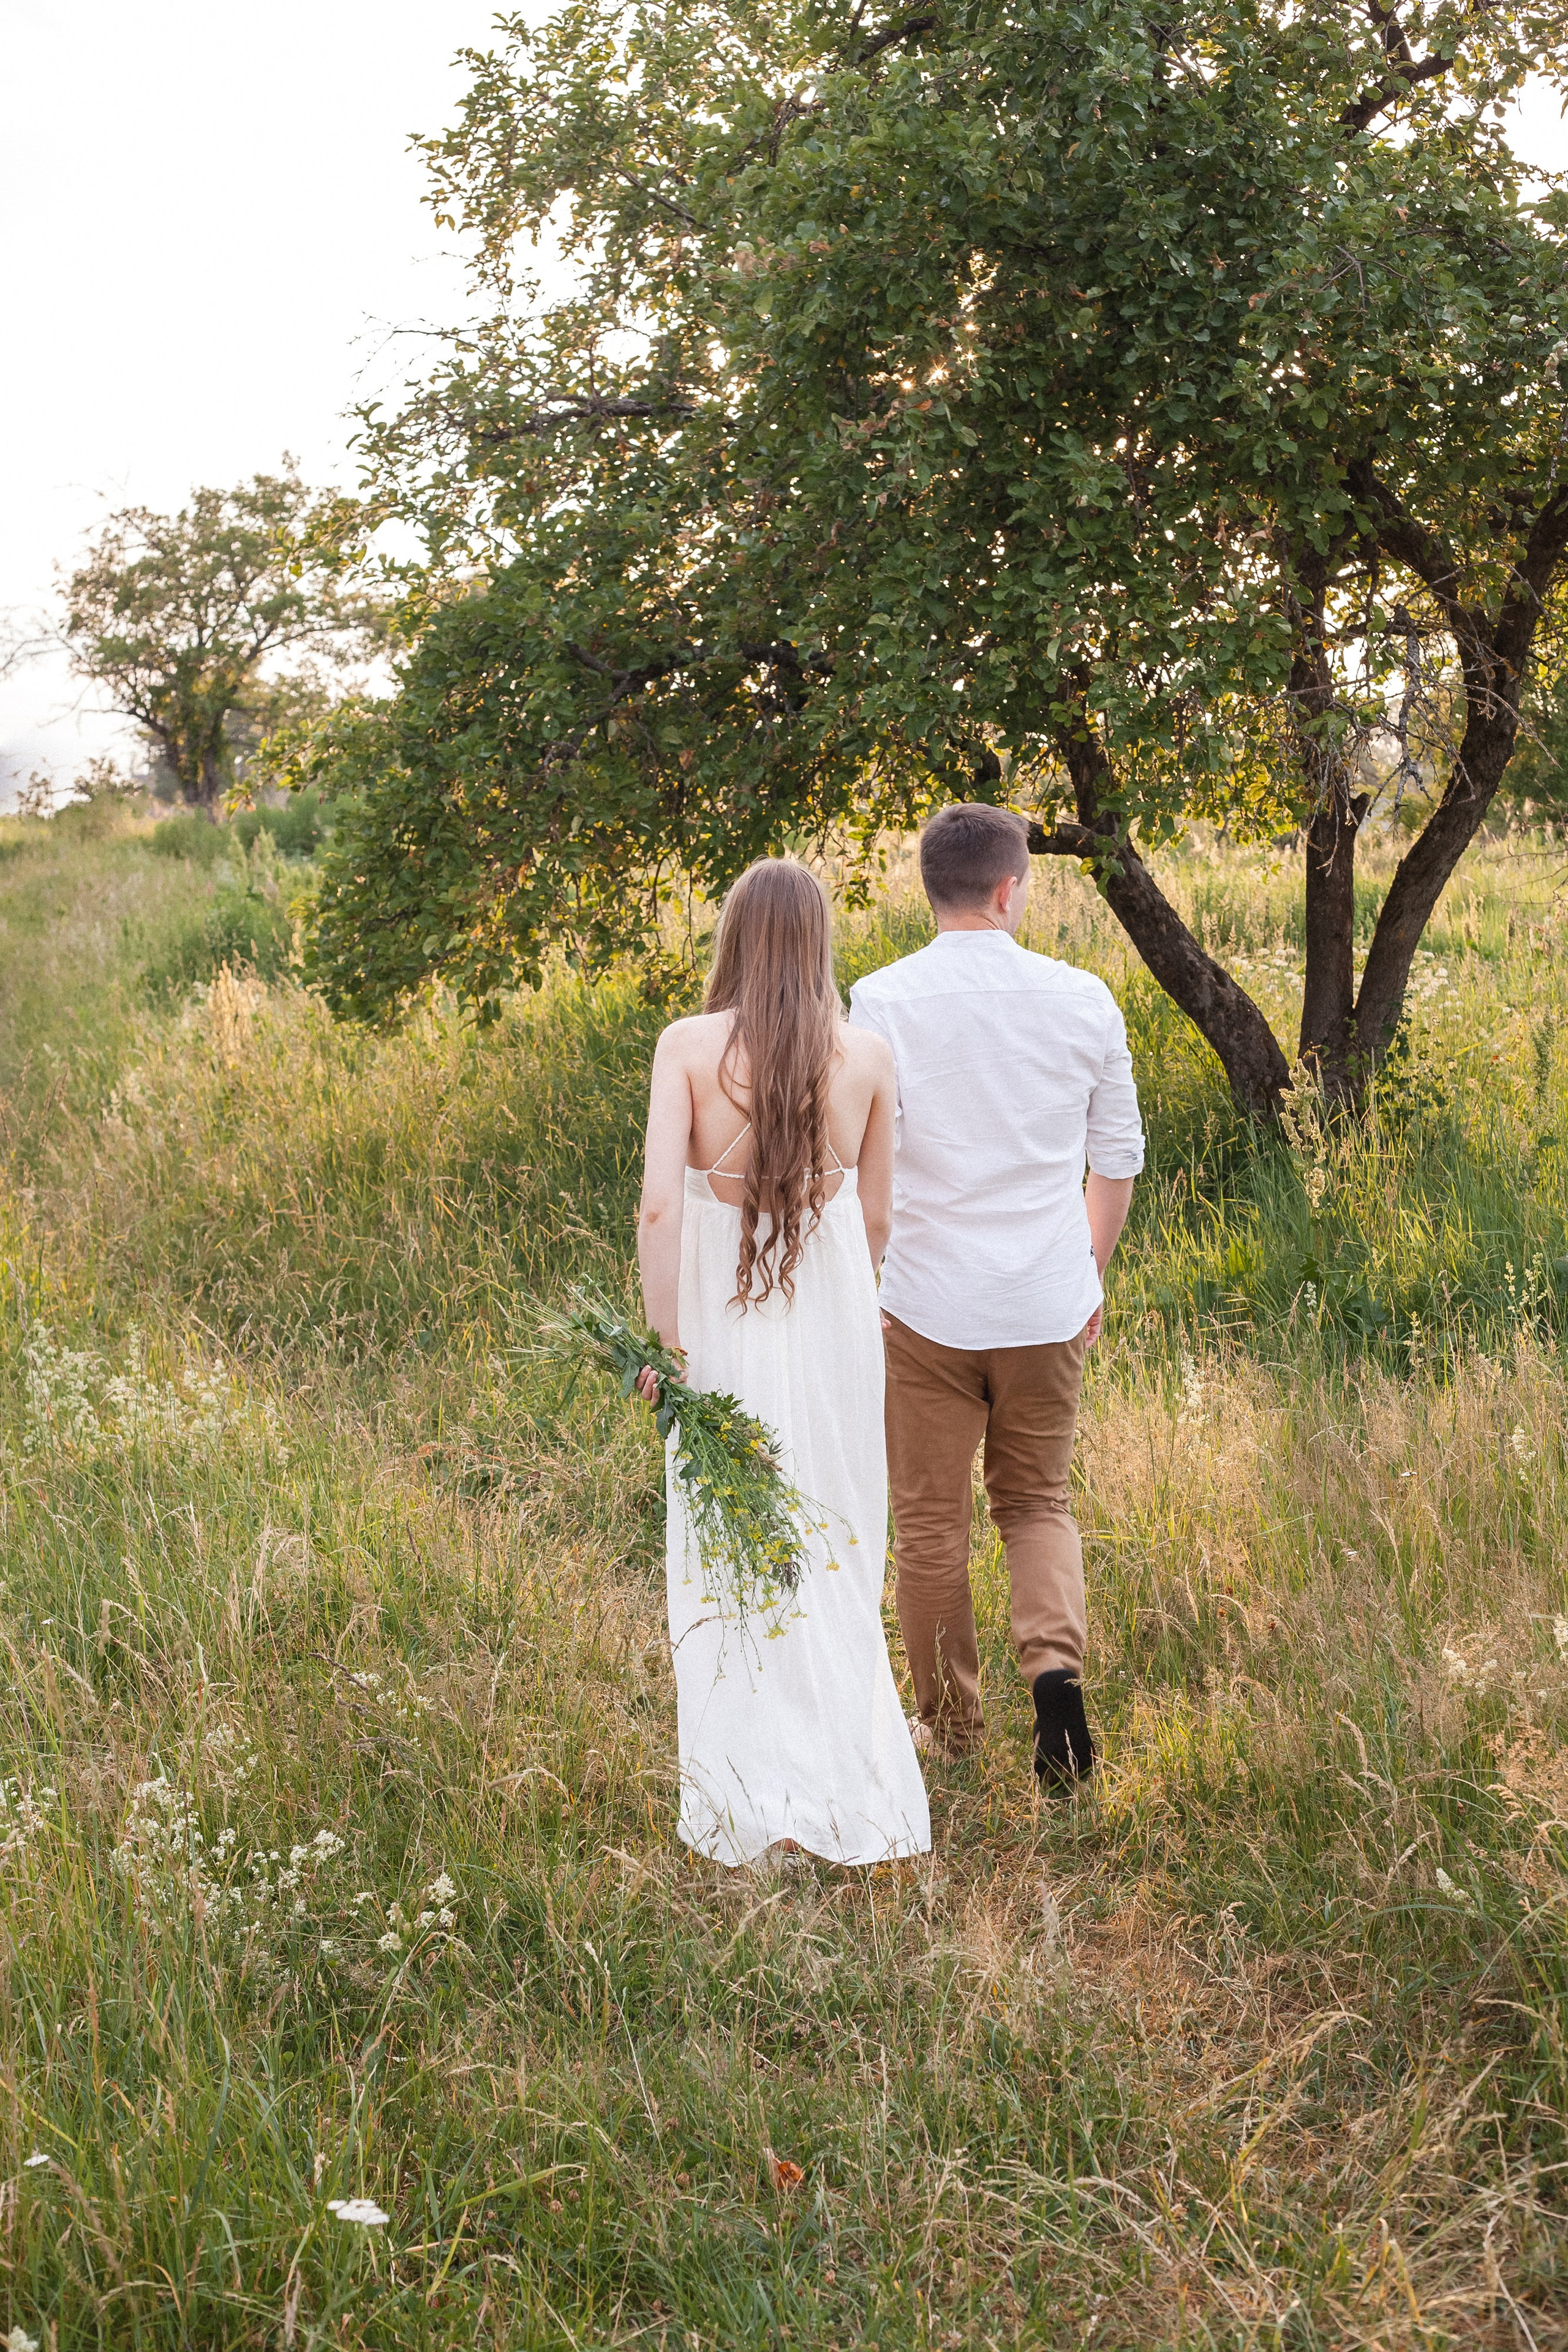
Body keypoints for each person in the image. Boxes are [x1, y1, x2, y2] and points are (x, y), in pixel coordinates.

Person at [635, 857, 932, 1867]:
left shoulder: (685, 1045)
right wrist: (849, 1300)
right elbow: (880, 1217)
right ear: (817, 941)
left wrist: (665, 1345)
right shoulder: (871, 1055)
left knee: (728, 1540)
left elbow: (661, 1208)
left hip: (720, 1307)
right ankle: (852, 1790)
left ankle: (748, 1803)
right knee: (836, 1535)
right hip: (837, 1304)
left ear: (733, 937)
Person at [848, 804, 1144, 1787]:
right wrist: (1085, 1273)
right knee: (1036, 1502)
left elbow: (859, 1167)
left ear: (928, 889)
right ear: (1013, 888)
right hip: (1046, 1306)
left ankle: (953, 1728)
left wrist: (869, 1284)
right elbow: (1117, 1161)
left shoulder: (880, 1001)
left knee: (930, 1522)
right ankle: (1055, 1684)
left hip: (922, 1304)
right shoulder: (1085, 997)